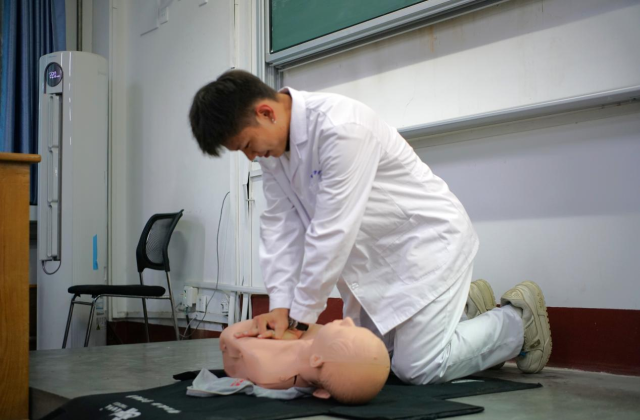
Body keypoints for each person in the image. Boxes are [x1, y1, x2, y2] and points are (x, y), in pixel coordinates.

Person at [189, 70, 552, 385]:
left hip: (425, 244)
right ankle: (467, 313)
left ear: (266, 112)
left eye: (247, 145)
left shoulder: (341, 127)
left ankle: (516, 323)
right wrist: (281, 305)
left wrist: (298, 318)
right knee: (371, 363)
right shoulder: (273, 154)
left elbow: (332, 230)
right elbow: (280, 229)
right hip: (375, 263)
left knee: (417, 369)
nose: (251, 156)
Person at [219, 317, 390, 404]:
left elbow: (229, 337)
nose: (348, 320)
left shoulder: (266, 366)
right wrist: (295, 324)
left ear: (316, 360)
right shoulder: (320, 339)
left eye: (342, 331)